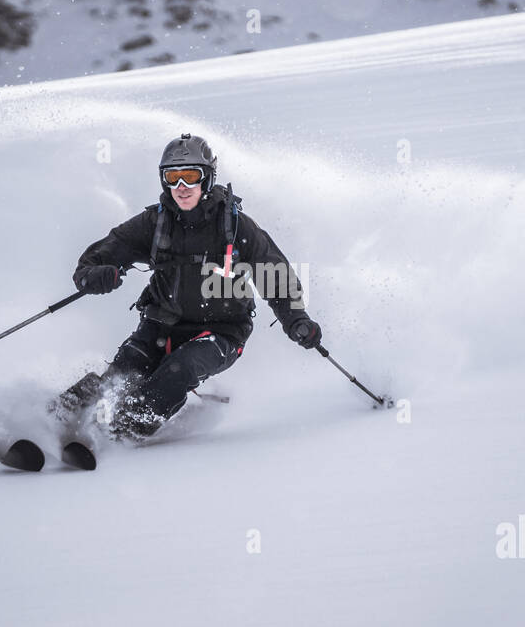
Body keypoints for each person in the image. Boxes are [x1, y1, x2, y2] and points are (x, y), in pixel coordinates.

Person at [52, 133, 322, 442]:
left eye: (190, 177)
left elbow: (275, 274)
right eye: (173, 177)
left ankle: (117, 435)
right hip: (162, 324)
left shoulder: (234, 226)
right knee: (124, 371)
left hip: (223, 331)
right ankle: (48, 424)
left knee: (180, 368)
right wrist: (95, 275)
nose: (181, 187)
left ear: (207, 178)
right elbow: (101, 255)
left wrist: (296, 319)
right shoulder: (154, 223)